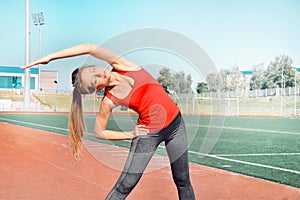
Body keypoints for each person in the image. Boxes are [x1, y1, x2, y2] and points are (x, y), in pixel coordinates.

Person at [22, 43, 195, 200]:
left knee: (183, 181)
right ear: (97, 88)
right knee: (125, 186)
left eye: (92, 70)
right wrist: (130, 134)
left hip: (176, 125)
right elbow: (99, 131)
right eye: (95, 79)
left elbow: (90, 47)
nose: (99, 73)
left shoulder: (123, 65)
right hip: (149, 135)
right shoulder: (109, 100)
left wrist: (50, 56)